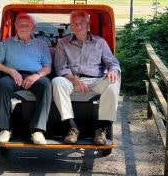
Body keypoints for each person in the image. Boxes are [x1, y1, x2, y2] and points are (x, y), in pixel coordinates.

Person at [52, 10, 121, 145]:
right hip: (72, 79)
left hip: (96, 79)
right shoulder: (63, 43)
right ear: (71, 26)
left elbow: (112, 62)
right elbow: (61, 67)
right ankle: (72, 127)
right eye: (74, 24)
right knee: (57, 82)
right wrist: (75, 81)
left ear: (88, 23)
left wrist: (113, 70)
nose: (78, 26)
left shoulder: (100, 42)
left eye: (81, 23)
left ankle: (101, 129)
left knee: (114, 82)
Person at [0, 13, 52, 144]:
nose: (23, 27)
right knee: (2, 84)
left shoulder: (41, 45)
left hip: (34, 76)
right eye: (20, 24)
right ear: (15, 26)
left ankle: (37, 130)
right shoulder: (6, 43)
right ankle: (5, 129)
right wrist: (10, 70)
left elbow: (48, 67)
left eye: (27, 25)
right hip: (12, 76)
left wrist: (37, 76)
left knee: (46, 85)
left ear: (33, 27)